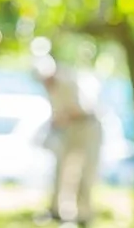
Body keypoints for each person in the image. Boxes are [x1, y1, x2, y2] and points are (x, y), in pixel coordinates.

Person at [35, 56, 104, 226]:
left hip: (88, 127)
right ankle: (56, 210)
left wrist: (61, 118)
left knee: (85, 171)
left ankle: (84, 214)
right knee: (61, 169)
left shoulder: (68, 81)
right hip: (68, 130)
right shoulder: (50, 88)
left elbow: (77, 109)